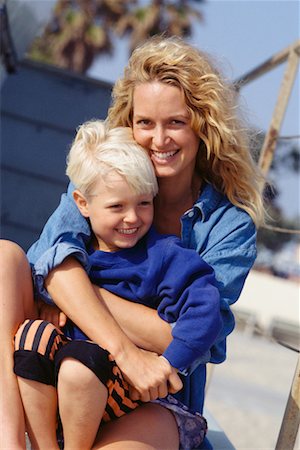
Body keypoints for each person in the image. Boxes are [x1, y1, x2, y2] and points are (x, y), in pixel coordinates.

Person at [0, 35, 265, 450]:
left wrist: (76, 298)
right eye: (145, 123)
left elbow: (200, 337)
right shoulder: (100, 178)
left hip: (150, 394)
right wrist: (125, 346)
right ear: (129, 124)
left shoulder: (229, 226)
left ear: (202, 125)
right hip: (65, 366)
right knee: (4, 259)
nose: (159, 139)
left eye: (175, 122)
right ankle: (10, 441)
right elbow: (44, 266)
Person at [14, 119, 221, 449]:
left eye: (144, 203)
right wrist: (53, 301)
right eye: (116, 206)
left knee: (79, 367)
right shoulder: (73, 255)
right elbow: (37, 272)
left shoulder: (164, 256)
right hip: (63, 392)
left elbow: (206, 311)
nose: (132, 218)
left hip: (126, 388)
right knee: (32, 336)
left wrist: (169, 363)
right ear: (82, 204)